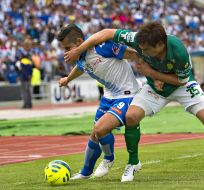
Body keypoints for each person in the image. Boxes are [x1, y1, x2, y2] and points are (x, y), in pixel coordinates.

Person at [64, 22, 204, 181]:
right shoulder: (140, 40)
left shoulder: (179, 51)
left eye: (146, 50)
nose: (142, 52)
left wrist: (153, 74)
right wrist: (79, 51)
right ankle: (133, 163)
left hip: (181, 86)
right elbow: (107, 32)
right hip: (155, 88)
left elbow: (181, 81)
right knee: (131, 116)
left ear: (160, 45)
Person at [57, 24, 141, 181]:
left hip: (127, 94)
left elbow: (133, 54)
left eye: (67, 48)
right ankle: (85, 172)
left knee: (100, 129)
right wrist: (68, 79)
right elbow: (81, 67)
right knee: (95, 134)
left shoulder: (102, 46)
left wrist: (152, 68)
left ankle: (109, 159)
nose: (65, 53)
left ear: (79, 42)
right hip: (109, 97)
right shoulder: (82, 56)